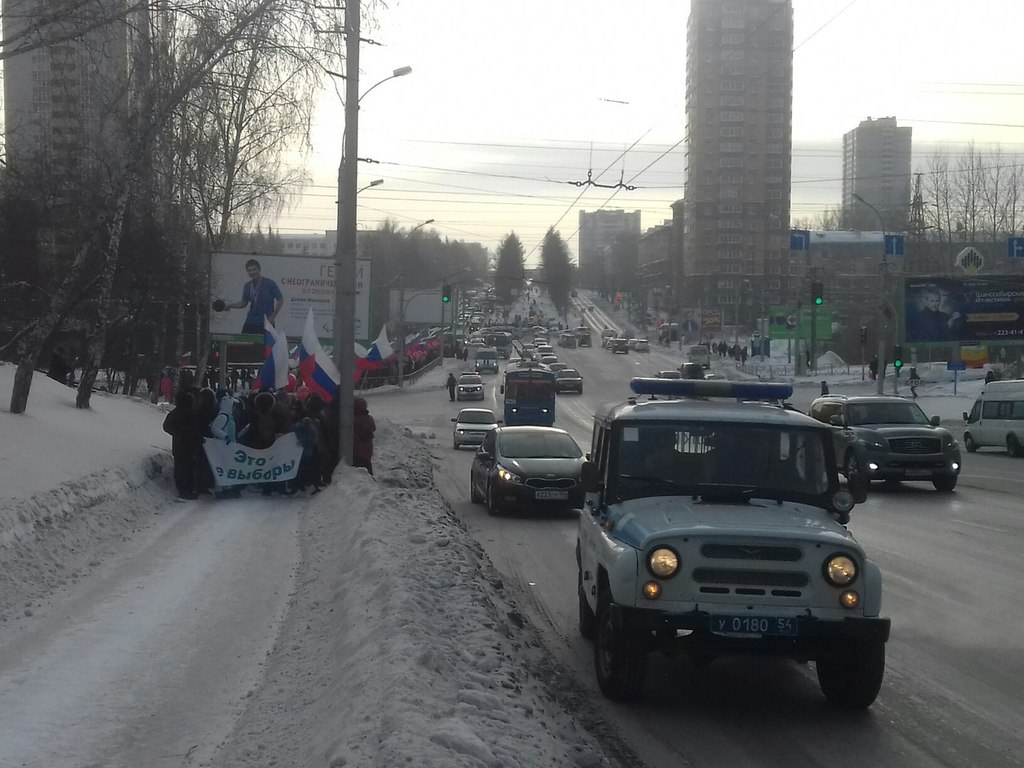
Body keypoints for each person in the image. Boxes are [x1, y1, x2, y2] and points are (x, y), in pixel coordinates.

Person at [216, 258, 285, 335]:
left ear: (259, 269)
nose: (252, 272)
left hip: (266, 322)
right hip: (250, 321)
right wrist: (230, 305)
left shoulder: (270, 283)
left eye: (254, 269)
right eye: (249, 270)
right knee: (245, 341)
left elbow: (280, 300)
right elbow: (243, 303)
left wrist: (273, 316)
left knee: (264, 343)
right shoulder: (247, 286)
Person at [162, 390, 202, 500]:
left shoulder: (175, 413)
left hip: (179, 444)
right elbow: (196, 429)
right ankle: (187, 490)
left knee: (181, 468)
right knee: (187, 468)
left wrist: (177, 433)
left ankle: (183, 489)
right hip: (189, 445)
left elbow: (166, 427)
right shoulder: (191, 413)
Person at [353, 397, 376, 476]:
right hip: (368, 448)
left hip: (357, 450)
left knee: (359, 469)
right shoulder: (369, 418)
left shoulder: (354, 419)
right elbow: (374, 428)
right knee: (367, 466)